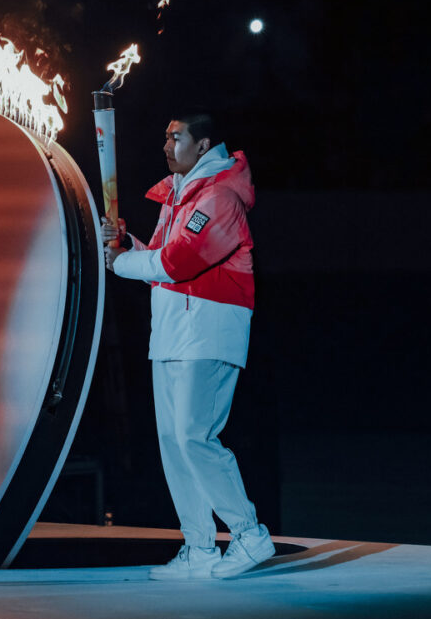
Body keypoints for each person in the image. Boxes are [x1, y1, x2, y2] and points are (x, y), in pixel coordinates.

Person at [102, 111, 274, 580]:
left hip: (210, 331)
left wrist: (120, 265)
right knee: (172, 443)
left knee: (195, 437)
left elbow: (178, 263)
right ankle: (200, 547)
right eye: (164, 137)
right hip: (173, 333)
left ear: (202, 146)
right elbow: (155, 255)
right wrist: (124, 245)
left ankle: (249, 535)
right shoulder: (177, 196)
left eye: (175, 138)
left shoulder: (219, 198)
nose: (165, 145)